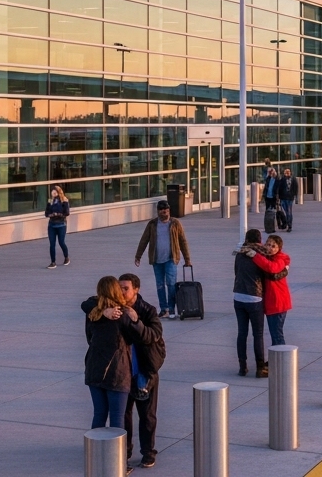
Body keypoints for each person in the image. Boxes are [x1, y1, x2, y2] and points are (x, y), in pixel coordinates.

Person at [85, 274, 164, 470]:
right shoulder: (118, 314)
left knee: (141, 415)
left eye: (125, 288)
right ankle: (120, 457)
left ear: (136, 289)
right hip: (119, 373)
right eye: (119, 288)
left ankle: (140, 453)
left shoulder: (144, 311)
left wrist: (136, 320)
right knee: (120, 417)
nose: (122, 291)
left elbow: (152, 336)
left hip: (129, 372)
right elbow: (138, 336)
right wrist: (130, 320)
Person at [83, 276, 132, 433]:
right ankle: (116, 456)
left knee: (99, 414)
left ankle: (96, 453)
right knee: (117, 417)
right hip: (117, 371)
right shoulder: (123, 314)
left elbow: (89, 337)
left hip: (94, 368)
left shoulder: (93, 313)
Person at [134, 200, 193, 319]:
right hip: (157, 260)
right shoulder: (152, 224)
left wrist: (187, 258)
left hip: (171, 259)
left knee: (171, 284)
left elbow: (183, 241)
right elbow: (144, 240)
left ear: (169, 210)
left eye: (166, 209)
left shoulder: (175, 223)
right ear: (158, 211)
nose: (164, 212)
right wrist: (138, 256)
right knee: (160, 285)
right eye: (161, 210)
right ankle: (163, 309)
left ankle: (171, 309)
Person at [233, 228, 268, 377]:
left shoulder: (240, 254)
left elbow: (236, 272)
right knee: (258, 334)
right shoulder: (260, 254)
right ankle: (260, 367)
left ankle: (243, 366)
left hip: (238, 296)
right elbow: (266, 275)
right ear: (259, 240)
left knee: (242, 333)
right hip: (255, 297)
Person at [247, 234, 292, 346]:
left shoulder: (280, 259)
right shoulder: (268, 256)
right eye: (268, 244)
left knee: (277, 334)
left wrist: (255, 256)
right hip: (272, 302)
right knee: (275, 333)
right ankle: (276, 358)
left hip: (277, 303)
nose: (270, 248)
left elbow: (271, 268)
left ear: (279, 249)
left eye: (273, 246)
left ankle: (281, 360)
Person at [45, 184, 70, 269]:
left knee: (61, 242)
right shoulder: (50, 201)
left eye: (55, 191)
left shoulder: (64, 200)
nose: (53, 193)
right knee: (52, 244)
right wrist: (52, 214)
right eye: (52, 191)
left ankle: (66, 257)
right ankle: (53, 262)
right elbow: (46, 213)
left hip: (61, 224)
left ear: (59, 192)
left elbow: (66, 212)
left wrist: (58, 214)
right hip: (51, 225)